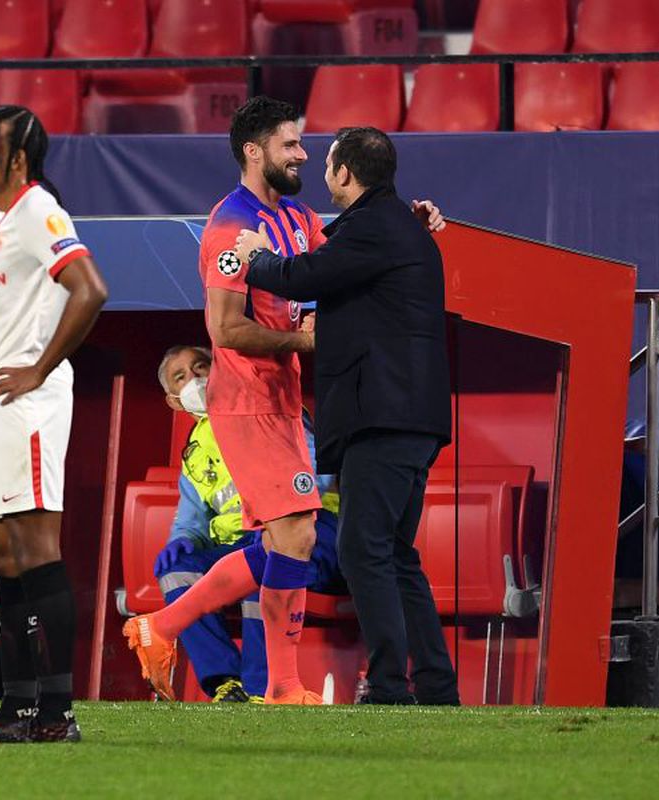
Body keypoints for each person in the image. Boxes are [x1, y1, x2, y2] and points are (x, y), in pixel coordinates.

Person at [124, 97, 441, 705]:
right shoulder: (228, 226)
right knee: (295, 534)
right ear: (253, 151)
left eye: (301, 144)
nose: (302, 154)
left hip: (284, 396)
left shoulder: (296, 218)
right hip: (244, 399)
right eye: (290, 144)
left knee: (284, 541)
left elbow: (348, 255)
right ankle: (277, 682)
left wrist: (408, 221)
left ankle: (166, 631)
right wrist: (305, 340)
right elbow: (224, 329)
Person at [236, 126, 460, 706]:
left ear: (344, 174)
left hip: (384, 417)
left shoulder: (375, 228)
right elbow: (329, 256)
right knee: (395, 554)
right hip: (409, 415)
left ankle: (389, 688)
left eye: (327, 163)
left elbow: (303, 275)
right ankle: (435, 685)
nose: (317, 169)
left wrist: (254, 257)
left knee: (364, 551)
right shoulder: (391, 225)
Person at [0, 106, 108, 744]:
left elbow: (90, 288)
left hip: (26, 405)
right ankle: (16, 706)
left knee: (38, 553)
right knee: (4, 555)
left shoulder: (40, 210)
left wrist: (39, 369)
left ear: (16, 159)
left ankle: (58, 713)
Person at [151, 344, 345, 703]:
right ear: (174, 401)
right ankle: (224, 683)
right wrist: (182, 540)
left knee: (269, 559)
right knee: (177, 569)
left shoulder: (259, 405)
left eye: (201, 367)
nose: (196, 379)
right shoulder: (196, 449)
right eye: (181, 377)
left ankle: (261, 686)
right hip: (243, 543)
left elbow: (312, 477)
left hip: (312, 531)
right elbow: (191, 519)